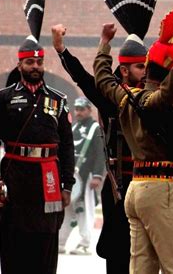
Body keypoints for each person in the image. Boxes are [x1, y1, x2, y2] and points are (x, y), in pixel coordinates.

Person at [94, 0, 173, 274]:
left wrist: (104, 45)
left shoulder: (126, 97)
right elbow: (172, 88)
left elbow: (103, 78)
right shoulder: (158, 102)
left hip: (137, 189)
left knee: (142, 269)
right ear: (168, 73)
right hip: (161, 188)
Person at [52, 0, 156, 272]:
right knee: (119, 252)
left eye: (146, 66)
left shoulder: (155, 95)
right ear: (124, 70)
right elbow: (87, 79)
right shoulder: (112, 98)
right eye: (138, 67)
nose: (144, 71)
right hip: (119, 184)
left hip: (154, 182)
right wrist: (62, 51)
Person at [0, 0, 75, 274]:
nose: (35, 67)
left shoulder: (57, 100)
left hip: (48, 178)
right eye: (29, 63)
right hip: (16, 179)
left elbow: (67, 147)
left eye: (39, 63)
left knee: (45, 246)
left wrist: (67, 185)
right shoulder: (5, 98)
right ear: (20, 64)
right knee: (14, 248)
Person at [58, 97, 105, 255]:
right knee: (67, 210)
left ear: (89, 110)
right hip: (71, 178)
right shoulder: (74, 127)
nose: (78, 112)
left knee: (84, 211)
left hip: (87, 177)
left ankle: (85, 244)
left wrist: (97, 176)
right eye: (76, 109)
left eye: (81, 109)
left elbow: (100, 154)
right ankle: (60, 242)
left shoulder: (95, 129)